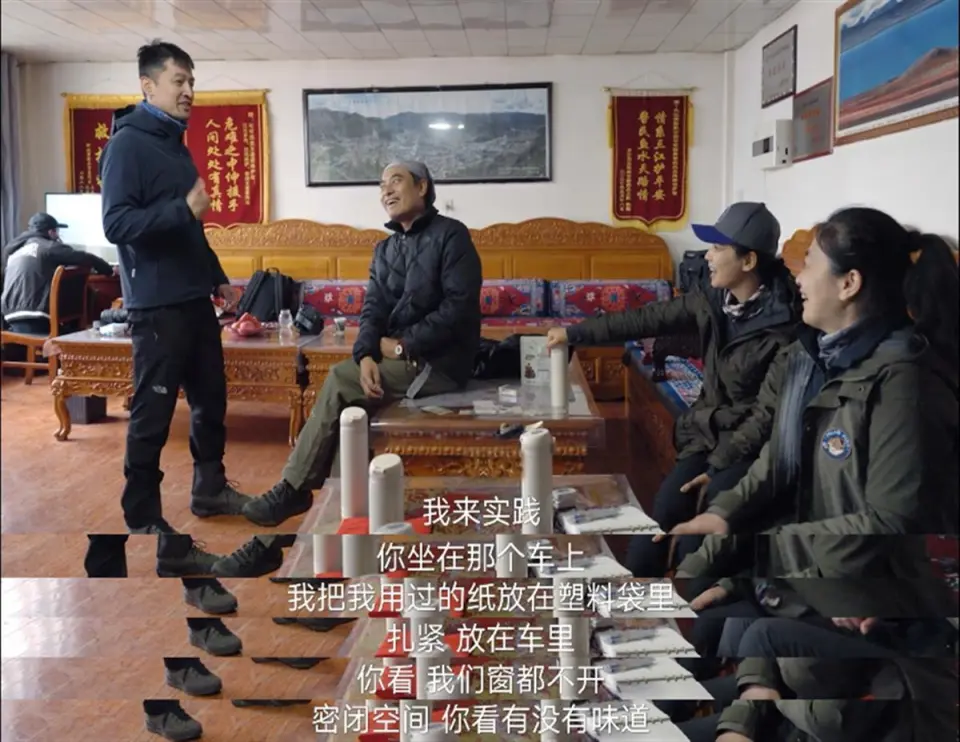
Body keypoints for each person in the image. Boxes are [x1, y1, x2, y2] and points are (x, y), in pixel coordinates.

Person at [670, 207, 959, 673]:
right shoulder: (821, 355)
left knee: (731, 631)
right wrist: (724, 516)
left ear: (849, 284)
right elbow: (784, 457)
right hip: (823, 566)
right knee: (708, 609)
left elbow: (890, 520)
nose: (797, 278)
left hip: (871, 597)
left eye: (808, 264)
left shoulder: (903, 382)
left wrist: (758, 556)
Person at [545, 202, 801, 578]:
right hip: (707, 432)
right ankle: (630, 595)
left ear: (748, 261)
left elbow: (767, 416)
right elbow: (647, 318)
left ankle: (701, 599)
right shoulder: (713, 299)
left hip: (753, 449)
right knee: (663, 514)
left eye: (718, 248)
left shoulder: (786, 326)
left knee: (699, 535)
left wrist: (718, 465)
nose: (707, 256)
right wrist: (575, 334)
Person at [240, 161, 483, 527]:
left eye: (396, 181)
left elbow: (458, 308)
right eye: (382, 185)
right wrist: (366, 354)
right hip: (393, 361)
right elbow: (373, 309)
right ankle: (344, 522)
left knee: (341, 380)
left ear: (422, 187)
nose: (387, 191)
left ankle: (294, 487)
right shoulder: (385, 250)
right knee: (351, 419)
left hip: (439, 363)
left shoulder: (452, 236)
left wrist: (402, 346)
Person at [92, 39, 257, 576]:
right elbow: (117, 225)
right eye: (178, 81)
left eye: (192, 82)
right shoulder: (127, 145)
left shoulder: (173, 143)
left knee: (211, 400)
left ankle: (210, 489)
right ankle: (142, 517)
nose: (188, 91)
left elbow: (191, 228)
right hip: (156, 306)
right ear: (148, 86)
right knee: (154, 415)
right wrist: (181, 207)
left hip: (192, 300)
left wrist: (217, 278)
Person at [1, 212, 115, 334]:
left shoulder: (14, 251)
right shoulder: (49, 246)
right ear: (51, 232)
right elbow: (85, 258)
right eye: (57, 231)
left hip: (8, 317)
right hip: (36, 315)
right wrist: (109, 270)